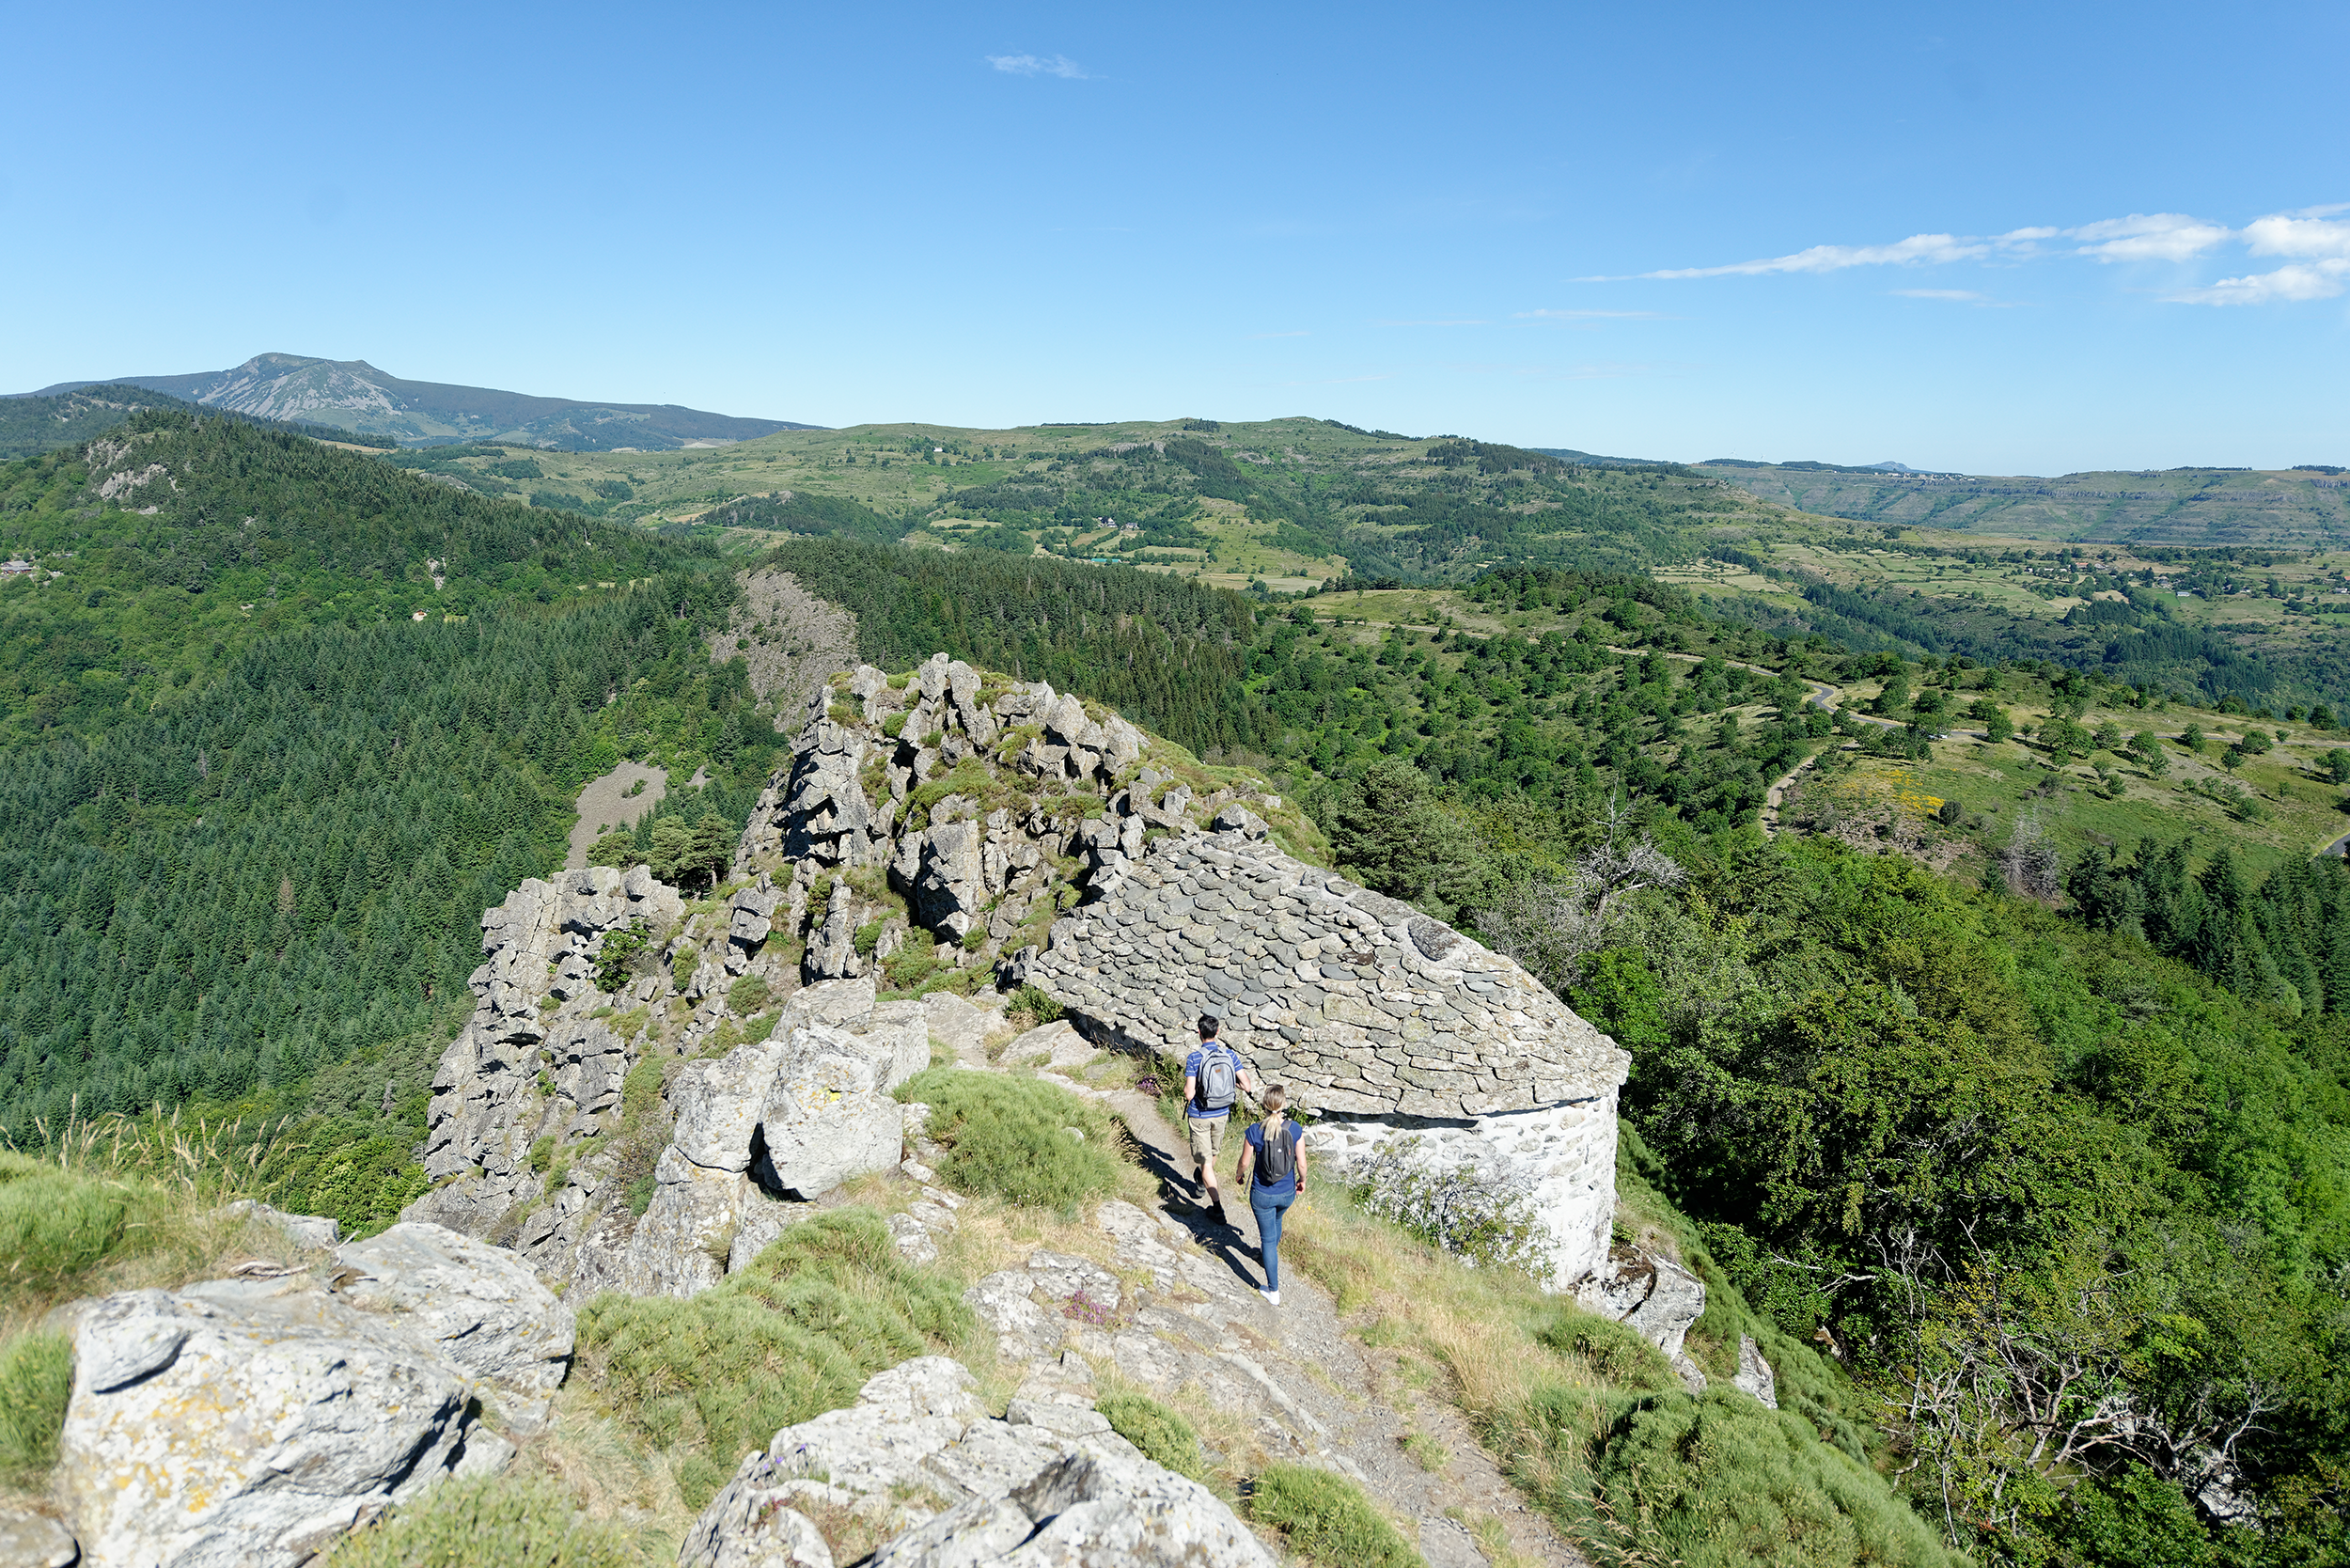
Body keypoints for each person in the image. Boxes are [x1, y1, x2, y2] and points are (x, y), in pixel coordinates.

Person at [1235, 1084, 1307, 1306]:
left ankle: (1273, 1291)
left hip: (1262, 1194)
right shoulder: (1295, 1129)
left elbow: (1244, 1162)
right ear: (1284, 1104)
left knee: (1267, 1239)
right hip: (1286, 1193)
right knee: (1277, 1222)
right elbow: (1302, 1164)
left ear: (1264, 1106)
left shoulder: (1254, 1131)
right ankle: (1269, 1258)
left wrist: (1239, 1175)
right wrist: (1302, 1180)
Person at [1182, 1014, 1254, 1227]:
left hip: (1200, 1115)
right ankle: (1202, 1177)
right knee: (1212, 1155)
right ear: (1218, 1031)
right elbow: (1247, 1085)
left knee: (1206, 1163)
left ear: (1199, 1032)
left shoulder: (1194, 1058)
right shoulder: (1229, 1055)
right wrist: (1232, 1086)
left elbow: (1189, 1094)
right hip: (1222, 1113)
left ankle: (1217, 1208)